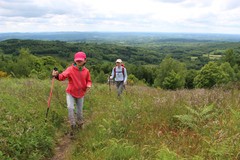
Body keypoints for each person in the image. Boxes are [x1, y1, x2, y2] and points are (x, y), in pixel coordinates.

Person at [52, 51, 92, 136]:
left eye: (80, 61)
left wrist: (88, 85)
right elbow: (62, 76)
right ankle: (73, 126)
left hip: (81, 93)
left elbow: (88, 80)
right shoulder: (70, 69)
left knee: (79, 112)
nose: (78, 62)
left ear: (85, 60)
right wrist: (56, 75)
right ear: (74, 60)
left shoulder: (86, 71)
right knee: (70, 108)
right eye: (77, 61)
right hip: (70, 92)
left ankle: (80, 124)